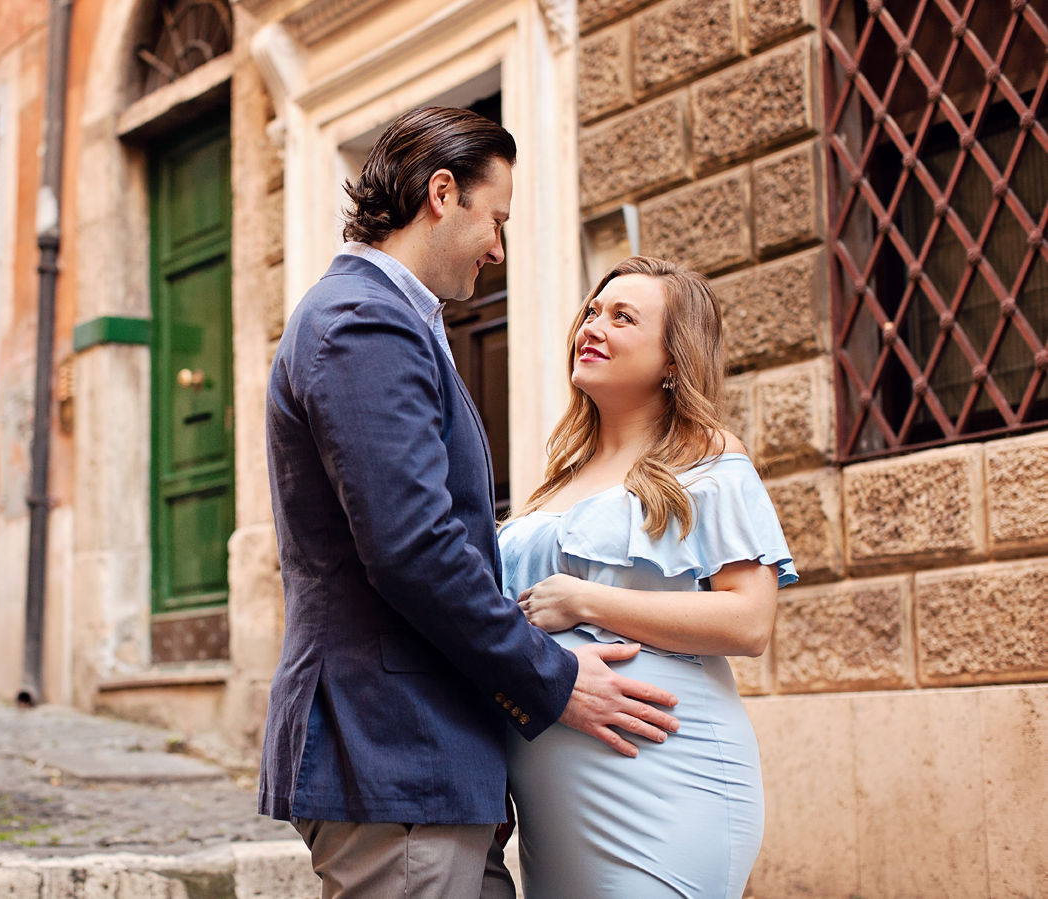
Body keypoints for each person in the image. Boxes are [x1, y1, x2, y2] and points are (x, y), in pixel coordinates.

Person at [259, 108, 683, 899]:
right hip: (394, 752)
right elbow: (414, 546)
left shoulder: (390, 322)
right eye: (497, 219)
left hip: (433, 765)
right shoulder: (362, 321)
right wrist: (550, 675)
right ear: (442, 194)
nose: (498, 246)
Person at [500, 256, 797, 899]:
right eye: (591, 312)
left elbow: (749, 621)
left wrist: (585, 599)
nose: (592, 326)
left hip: (669, 775)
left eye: (622, 317)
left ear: (672, 359)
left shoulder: (708, 459)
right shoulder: (555, 480)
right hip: (555, 806)